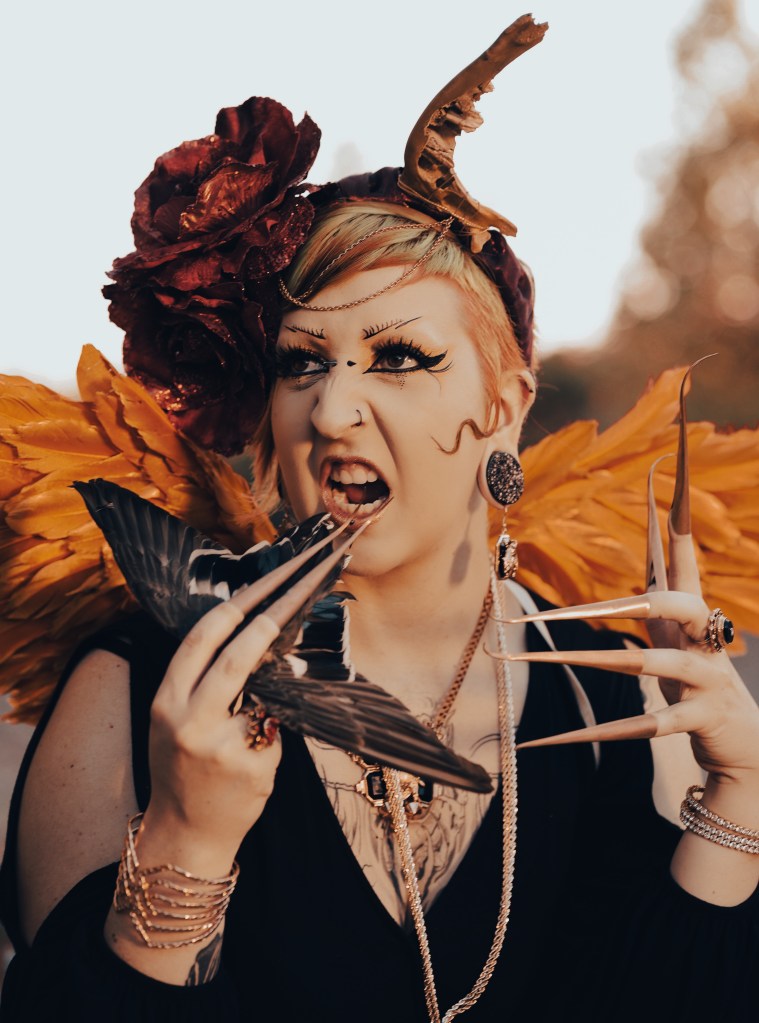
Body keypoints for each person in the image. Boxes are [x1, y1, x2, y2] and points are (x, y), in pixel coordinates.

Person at [1, 16, 758, 1023]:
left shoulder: (610, 694)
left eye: (398, 357)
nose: (331, 409)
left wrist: (738, 798)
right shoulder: (136, 686)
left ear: (504, 406)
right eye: (302, 363)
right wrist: (188, 837)